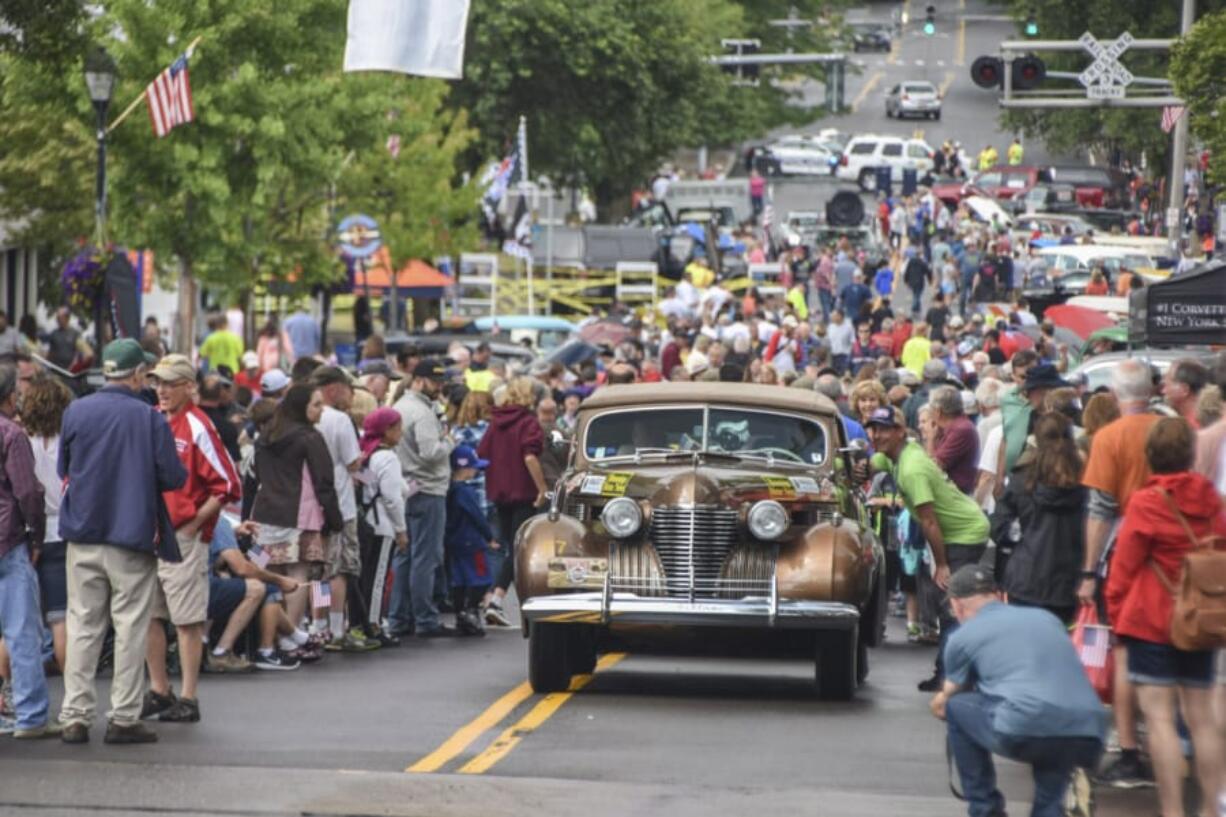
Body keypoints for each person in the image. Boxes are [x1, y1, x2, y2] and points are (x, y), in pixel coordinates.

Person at [58, 339, 187, 745]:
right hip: (130, 534)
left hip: (82, 533)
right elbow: (174, 476)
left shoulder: (77, 409)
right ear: (135, 374)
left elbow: (65, 467)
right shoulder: (149, 418)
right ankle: (124, 716)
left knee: (82, 625)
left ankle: (75, 715)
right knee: (129, 627)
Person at [1105, 418, 1226, 817]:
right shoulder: (1211, 498)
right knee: (1203, 718)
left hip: (1152, 621)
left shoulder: (1147, 501)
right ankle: (1211, 808)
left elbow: (1123, 568)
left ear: (1152, 455)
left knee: (1159, 721)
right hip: (1201, 619)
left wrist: (1117, 617)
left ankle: (1173, 811)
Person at [932, 565, 1107, 817]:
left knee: (956, 707)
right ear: (1000, 596)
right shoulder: (1046, 619)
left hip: (1026, 724)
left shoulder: (962, 636)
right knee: (1051, 787)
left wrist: (939, 701)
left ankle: (985, 807)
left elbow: (947, 697)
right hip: (1088, 727)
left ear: (957, 605)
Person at [142, 355, 242, 725]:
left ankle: (188, 696)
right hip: (149, 532)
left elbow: (229, 484)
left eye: (170, 383)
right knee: (151, 615)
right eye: (158, 383)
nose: (162, 390)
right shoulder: (153, 418)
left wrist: (195, 523)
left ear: (188, 386)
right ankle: (159, 690)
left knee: (186, 620)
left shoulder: (199, 425)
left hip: (182, 535)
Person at [865, 407, 991, 692]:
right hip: (958, 527)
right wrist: (861, 464)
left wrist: (942, 563)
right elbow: (874, 461)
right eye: (874, 429)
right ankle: (951, 671)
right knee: (944, 602)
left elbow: (929, 521)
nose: (877, 435)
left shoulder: (911, 469)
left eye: (885, 429)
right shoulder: (898, 454)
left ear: (900, 431)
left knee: (951, 606)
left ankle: (950, 676)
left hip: (965, 533)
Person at [1078, 358, 1161, 788]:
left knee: (1125, 650)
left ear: (1114, 396)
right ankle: (1164, 742)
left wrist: (1088, 571)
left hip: (1127, 555)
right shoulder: (1173, 431)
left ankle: (1130, 748)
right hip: (1177, 554)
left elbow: (1100, 511)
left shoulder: (1109, 437)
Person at [250, 384, 343, 643]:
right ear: (301, 407)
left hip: (264, 514)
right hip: (300, 514)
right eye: (316, 404)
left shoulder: (265, 436)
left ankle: (269, 637)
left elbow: (255, 475)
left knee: (270, 574)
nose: (321, 409)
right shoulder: (309, 437)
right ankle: (293, 632)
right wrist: (335, 520)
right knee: (301, 574)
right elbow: (324, 482)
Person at [0, 364, 55, 739]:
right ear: (10, 395)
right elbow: (28, 492)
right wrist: (36, 535)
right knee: (22, 632)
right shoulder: (12, 434)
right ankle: (31, 715)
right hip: (8, 540)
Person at [990, 413, 1085, 623]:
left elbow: (998, 527)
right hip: (1071, 580)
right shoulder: (1086, 482)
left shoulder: (1022, 480)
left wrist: (1016, 536)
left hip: (1026, 577)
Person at [308, 366, 376, 652]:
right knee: (339, 571)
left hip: (310, 503)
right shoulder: (338, 420)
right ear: (334, 388)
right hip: (340, 503)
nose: (351, 394)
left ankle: (317, 625)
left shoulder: (304, 416)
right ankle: (337, 628)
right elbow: (352, 462)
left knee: (318, 571)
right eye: (348, 388)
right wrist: (359, 459)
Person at [390, 358, 456, 638]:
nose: (439, 386)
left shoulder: (399, 407)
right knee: (425, 557)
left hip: (406, 487)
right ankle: (425, 618)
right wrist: (450, 442)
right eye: (434, 380)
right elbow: (431, 452)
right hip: (428, 488)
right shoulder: (423, 412)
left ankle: (399, 618)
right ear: (418, 380)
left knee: (405, 556)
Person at [478, 377, 548, 627]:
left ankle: (500, 600)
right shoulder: (528, 423)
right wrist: (542, 488)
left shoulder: (496, 423)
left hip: (499, 493)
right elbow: (530, 457)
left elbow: (482, 452)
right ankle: (497, 599)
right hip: (524, 493)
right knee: (519, 550)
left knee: (510, 548)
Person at [21, 375, 74, 673]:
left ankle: (9, 687)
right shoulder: (68, 440)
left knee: (19, 619)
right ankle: (71, 697)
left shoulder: (20, 440)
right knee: (61, 618)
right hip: (63, 531)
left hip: (28, 533)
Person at [355, 408, 407, 644]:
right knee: (377, 578)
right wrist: (401, 529)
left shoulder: (367, 453)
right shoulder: (388, 457)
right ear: (387, 431)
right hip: (382, 523)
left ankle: (358, 622)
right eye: (398, 427)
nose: (401, 432)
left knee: (365, 575)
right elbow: (391, 497)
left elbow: (369, 484)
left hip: (366, 520)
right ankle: (374, 625)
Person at [445, 445, 498, 636]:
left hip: (454, 542)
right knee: (482, 578)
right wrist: (488, 536)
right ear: (464, 468)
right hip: (472, 542)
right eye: (474, 467)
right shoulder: (466, 492)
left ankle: (460, 612)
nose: (476, 471)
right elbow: (476, 516)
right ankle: (471, 610)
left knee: (458, 579)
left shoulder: (448, 490)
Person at [929, 385, 979, 494]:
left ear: (938, 411)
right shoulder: (949, 428)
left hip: (957, 495)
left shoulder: (961, 429)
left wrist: (930, 438)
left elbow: (933, 467)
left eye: (930, 409)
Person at [45, 306, 93, 372]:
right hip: (56, 371)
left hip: (69, 372)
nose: (57, 320)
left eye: (60, 318)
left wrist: (78, 367)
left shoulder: (74, 334)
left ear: (67, 318)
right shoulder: (54, 334)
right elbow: (49, 354)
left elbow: (88, 354)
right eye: (57, 318)